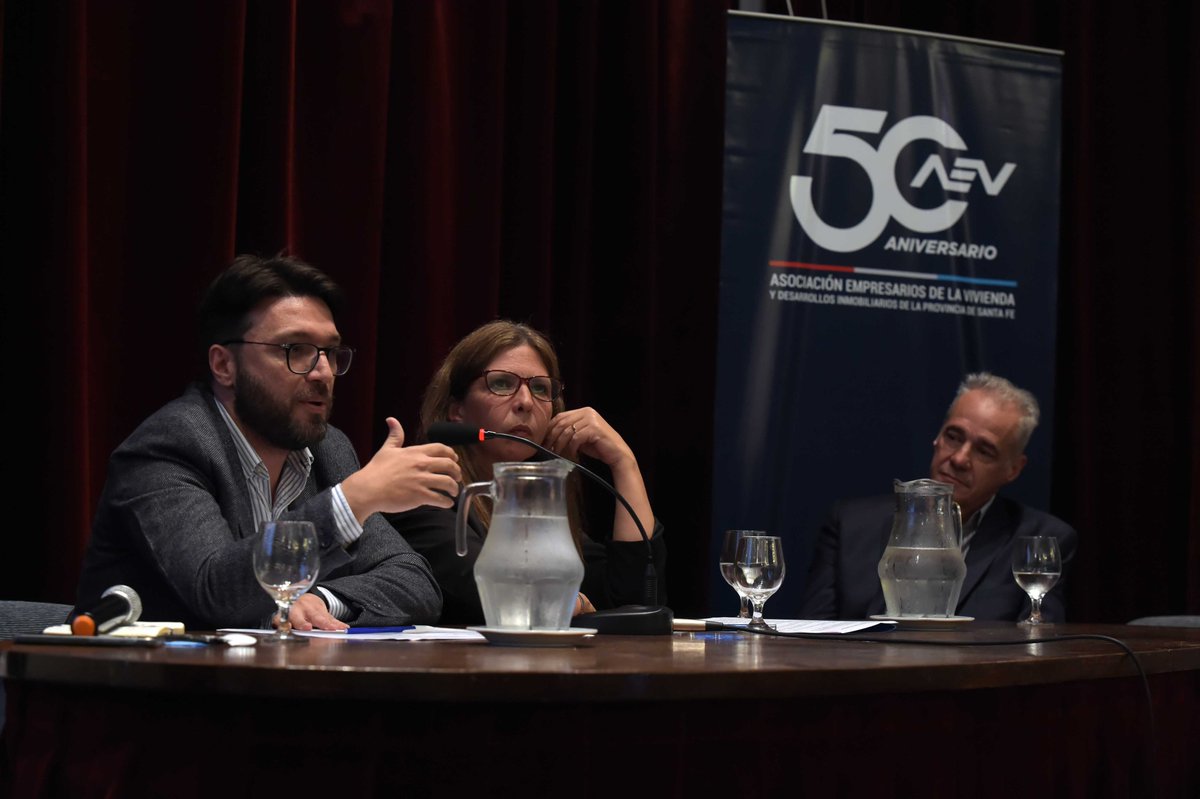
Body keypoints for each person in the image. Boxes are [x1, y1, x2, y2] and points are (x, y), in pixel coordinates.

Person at [75, 254, 462, 631]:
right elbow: (218, 591)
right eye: (295, 350)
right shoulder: (170, 446)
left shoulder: (328, 450)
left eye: (329, 352)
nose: (323, 373)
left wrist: (321, 599)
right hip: (146, 673)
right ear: (224, 365)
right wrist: (353, 500)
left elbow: (414, 582)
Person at [387, 320, 666, 625]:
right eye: (502, 384)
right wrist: (569, 600)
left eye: (540, 388)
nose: (525, 402)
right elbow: (501, 596)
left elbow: (635, 606)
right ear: (458, 411)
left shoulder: (539, 502)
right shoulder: (423, 490)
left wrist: (624, 463)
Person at [799, 372, 1078, 622]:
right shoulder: (851, 525)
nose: (959, 459)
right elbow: (813, 635)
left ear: (1013, 469)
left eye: (984, 451)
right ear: (937, 438)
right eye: (953, 437)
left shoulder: (1041, 539)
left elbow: (1037, 645)